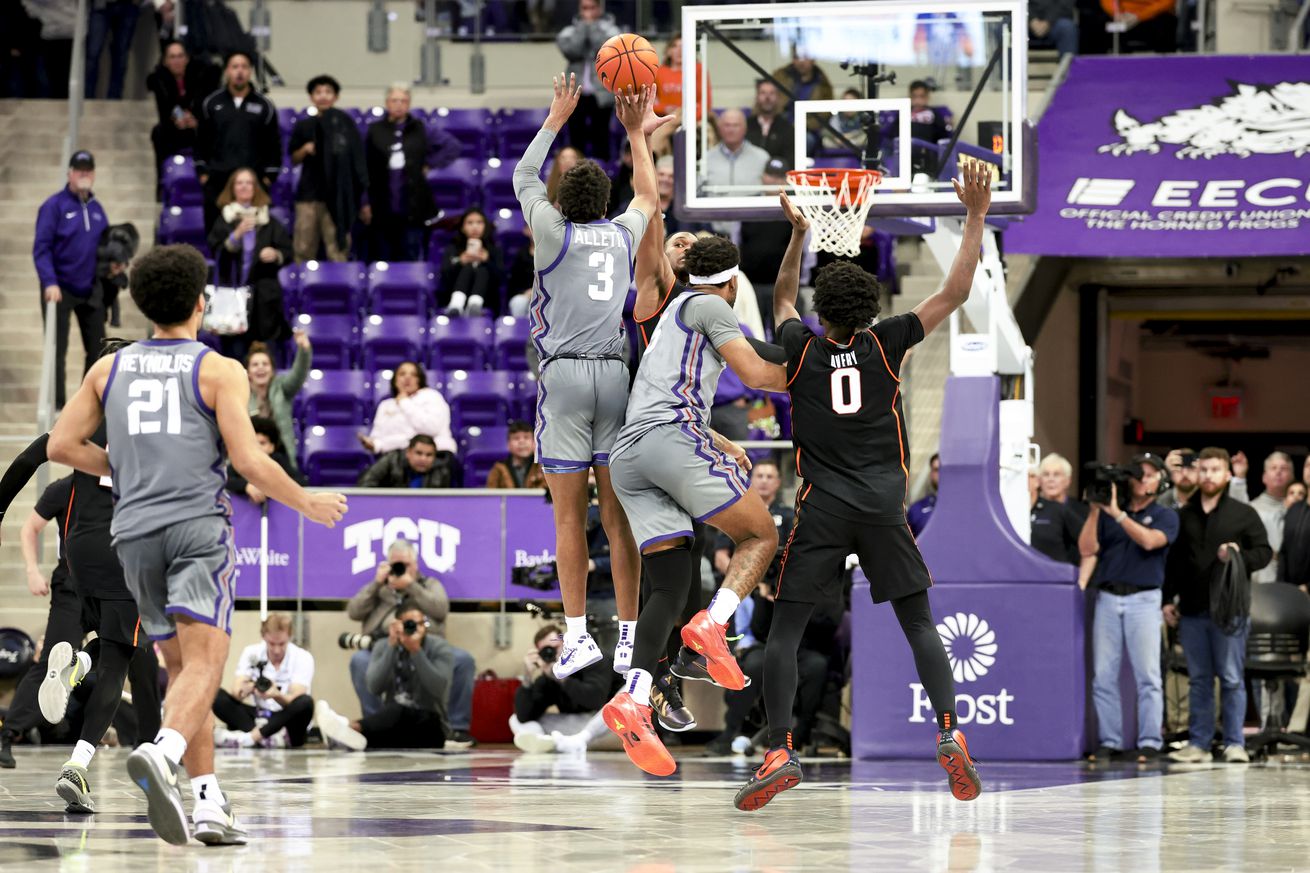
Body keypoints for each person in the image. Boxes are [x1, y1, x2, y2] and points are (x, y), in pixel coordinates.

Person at [47, 243, 348, 846]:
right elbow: (247, 461)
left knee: (186, 671)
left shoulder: (108, 369)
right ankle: (163, 753)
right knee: (209, 662)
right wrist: (307, 502)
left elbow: (60, 445)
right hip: (195, 529)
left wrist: (121, 465)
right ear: (201, 303)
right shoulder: (217, 369)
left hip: (130, 535)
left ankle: (209, 803)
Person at [736, 163, 993, 811]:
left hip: (822, 506)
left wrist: (798, 237)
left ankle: (779, 747)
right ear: (872, 310)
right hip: (883, 506)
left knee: (786, 632)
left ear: (825, 313)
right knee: (919, 623)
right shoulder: (888, 345)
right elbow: (957, 291)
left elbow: (784, 301)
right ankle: (948, 729)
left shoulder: (799, 347)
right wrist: (975, 215)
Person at [603, 230, 792, 777]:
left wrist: (720, 441)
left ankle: (634, 698)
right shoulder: (712, 304)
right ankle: (713, 627)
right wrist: (823, 381)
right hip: (668, 439)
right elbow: (756, 373)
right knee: (760, 535)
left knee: (670, 582)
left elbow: (677, 391)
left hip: (630, 456)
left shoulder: (676, 309)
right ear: (733, 283)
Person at [513, 77, 659, 680]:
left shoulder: (551, 232)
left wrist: (554, 118)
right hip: (615, 374)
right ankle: (628, 634)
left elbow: (523, 176)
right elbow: (648, 196)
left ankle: (577, 635)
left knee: (568, 518)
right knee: (618, 515)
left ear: (562, 202)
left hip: (566, 378)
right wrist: (635, 134)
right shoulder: (622, 234)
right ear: (604, 204)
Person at [1163, 447, 1271, 764]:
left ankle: (1235, 742)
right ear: (1197, 473)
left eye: (1215, 470)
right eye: (1204, 469)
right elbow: (1174, 564)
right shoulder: (1183, 516)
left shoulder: (1243, 514)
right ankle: (1199, 743)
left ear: (1226, 475)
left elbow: (1263, 552)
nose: (1208, 475)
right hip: (1192, 610)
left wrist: (1239, 553)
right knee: (1198, 679)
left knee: (1231, 677)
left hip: (1230, 610)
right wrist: (1167, 599)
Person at [1077, 453, 1177, 763]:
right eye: (1138, 474)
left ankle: (1149, 741)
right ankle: (1111, 740)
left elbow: (1150, 542)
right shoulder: (1108, 514)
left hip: (1144, 599)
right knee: (1103, 674)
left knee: (1147, 674)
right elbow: (1087, 549)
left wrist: (1119, 514)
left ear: (1161, 481)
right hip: (1108, 597)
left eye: (1149, 475)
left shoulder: (1165, 515)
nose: (1142, 479)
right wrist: (1097, 511)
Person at [343, 539, 477, 746]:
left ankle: (457, 728)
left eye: (404, 564)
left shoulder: (428, 585)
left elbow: (440, 609)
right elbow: (354, 611)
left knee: (463, 660)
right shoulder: (381, 589)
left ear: (415, 565)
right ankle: (374, 724)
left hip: (427, 646)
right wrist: (377, 584)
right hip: (384, 645)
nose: (399, 569)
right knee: (360, 661)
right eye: (394, 564)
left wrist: (411, 586)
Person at [316, 605, 457, 751]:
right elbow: (374, 687)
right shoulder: (384, 645)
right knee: (364, 740)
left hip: (431, 726)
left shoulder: (440, 647)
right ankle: (340, 739)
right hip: (395, 724)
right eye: (409, 624)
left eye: (421, 624)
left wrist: (416, 651)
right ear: (397, 624)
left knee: (398, 710)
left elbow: (439, 689)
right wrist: (391, 647)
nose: (416, 628)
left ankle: (347, 725)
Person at [34, 150, 108, 409]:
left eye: (88, 170)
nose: (84, 174)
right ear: (70, 173)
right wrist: (49, 281)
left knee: (99, 350)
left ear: (94, 174)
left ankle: (87, 407)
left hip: (90, 289)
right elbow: (41, 248)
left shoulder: (98, 210)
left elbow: (104, 247)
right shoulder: (53, 206)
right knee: (57, 351)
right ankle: (56, 408)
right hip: (60, 288)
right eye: (79, 170)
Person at [362, 83, 455, 262]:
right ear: (387, 103)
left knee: (410, 258)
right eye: (394, 100)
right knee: (382, 259)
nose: (399, 104)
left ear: (409, 103)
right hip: (381, 207)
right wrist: (364, 202)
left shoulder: (421, 128)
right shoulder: (374, 130)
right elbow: (364, 168)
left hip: (412, 209)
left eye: (403, 101)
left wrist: (429, 163)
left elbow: (452, 146)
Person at [207, 169, 294, 361]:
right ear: (232, 188)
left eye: (249, 183)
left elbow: (288, 252)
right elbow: (215, 251)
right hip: (232, 302)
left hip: (264, 304)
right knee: (234, 358)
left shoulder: (269, 222)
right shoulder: (224, 220)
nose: (244, 186)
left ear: (256, 189)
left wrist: (276, 254)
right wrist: (235, 236)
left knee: (262, 360)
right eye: (239, 183)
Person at [196, 51, 282, 235]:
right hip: (217, 181)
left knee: (255, 236)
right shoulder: (211, 103)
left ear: (250, 71)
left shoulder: (265, 105)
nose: (239, 71)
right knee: (216, 234)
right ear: (227, 70)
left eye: (244, 67)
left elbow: (274, 145)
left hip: (253, 181)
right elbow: (201, 141)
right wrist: (203, 172)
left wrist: (268, 178)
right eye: (235, 67)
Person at [290, 74, 368, 263]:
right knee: (303, 248)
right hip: (309, 195)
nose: (323, 96)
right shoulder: (304, 125)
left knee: (338, 249)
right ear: (311, 97)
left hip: (338, 197)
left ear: (336, 96)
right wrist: (305, 150)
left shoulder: (345, 124)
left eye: (328, 92)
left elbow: (357, 161)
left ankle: (340, 289)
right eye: (318, 92)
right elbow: (293, 158)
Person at [510, 624, 621, 754]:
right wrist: (527, 676)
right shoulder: (548, 677)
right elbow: (524, 716)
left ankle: (564, 743)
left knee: (623, 695)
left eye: (555, 647)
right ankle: (547, 743)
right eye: (546, 650)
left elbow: (594, 700)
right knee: (515, 719)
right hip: (578, 726)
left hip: (611, 727)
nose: (552, 653)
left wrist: (561, 678)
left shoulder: (593, 659)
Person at [212, 614, 316, 748]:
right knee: (214, 694)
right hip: (258, 716)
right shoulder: (252, 652)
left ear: (290, 636)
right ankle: (268, 738)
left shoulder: (302, 657)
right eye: (271, 644)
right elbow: (236, 692)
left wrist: (276, 695)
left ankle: (252, 738)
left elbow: (297, 697)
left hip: (286, 719)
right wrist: (249, 688)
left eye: (282, 644)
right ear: (263, 637)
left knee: (305, 702)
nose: (277, 650)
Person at [146, 41, 218, 198]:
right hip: (172, 128)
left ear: (187, 58)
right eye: (172, 57)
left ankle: (208, 177)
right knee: (158, 132)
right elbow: (167, 106)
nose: (177, 61)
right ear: (165, 61)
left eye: (180, 56)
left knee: (210, 131)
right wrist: (179, 118)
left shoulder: (200, 76)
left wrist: (195, 119)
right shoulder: (160, 79)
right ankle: (163, 182)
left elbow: (203, 103)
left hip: (197, 126)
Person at [554, 0, 620, 159]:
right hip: (576, 93)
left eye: (592, 8)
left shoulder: (611, 29)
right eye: (585, 8)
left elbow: (606, 50)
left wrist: (593, 28)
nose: (588, 12)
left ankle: (602, 174)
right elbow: (572, 51)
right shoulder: (569, 31)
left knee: (601, 136)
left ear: (599, 8)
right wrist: (584, 28)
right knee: (576, 137)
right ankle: (577, 174)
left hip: (601, 93)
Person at [360, 361, 457, 455]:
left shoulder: (431, 396)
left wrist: (404, 402)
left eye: (413, 374)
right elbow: (377, 438)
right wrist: (374, 444)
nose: (407, 377)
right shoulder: (385, 405)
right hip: (395, 456)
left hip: (435, 454)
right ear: (395, 380)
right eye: (402, 374)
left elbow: (430, 429)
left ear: (420, 380)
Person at [245, 335, 311, 473]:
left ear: (272, 370)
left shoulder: (282, 387)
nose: (260, 368)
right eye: (255, 365)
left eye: (265, 364)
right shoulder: (241, 394)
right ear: (248, 372)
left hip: (282, 459)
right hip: (250, 459)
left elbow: (298, 375)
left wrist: (304, 350)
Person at [1231, 452, 1292, 584]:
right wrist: (1239, 477)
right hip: (1260, 583)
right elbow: (1234, 513)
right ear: (1264, 477)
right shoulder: (1253, 508)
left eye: (1284, 468)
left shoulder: (1301, 511)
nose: (1279, 472)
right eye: (1274, 468)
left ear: (1292, 476)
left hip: (1293, 585)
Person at [438, 207, 504, 316]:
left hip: (487, 299)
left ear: (485, 226)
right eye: (470, 223)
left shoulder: (494, 250)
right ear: (463, 227)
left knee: (482, 269)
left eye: (479, 222)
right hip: (452, 293)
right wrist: (460, 261)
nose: (475, 227)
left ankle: (475, 304)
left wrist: (486, 261)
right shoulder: (453, 248)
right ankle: (456, 304)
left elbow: (500, 279)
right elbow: (444, 276)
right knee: (467, 268)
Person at [226, 415, 306, 502]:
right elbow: (224, 480)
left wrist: (271, 487)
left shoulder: (278, 461)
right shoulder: (240, 462)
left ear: (272, 447)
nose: (257, 447)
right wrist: (246, 486)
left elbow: (300, 481)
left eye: (262, 443)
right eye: (253, 443)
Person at [1030, 453, 1088, 565]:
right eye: (1046, 474)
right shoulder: (1030, 509)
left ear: (1068, 480)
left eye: (1056, 475)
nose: (1050, 479)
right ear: (1039, 480)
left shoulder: (1082, 511)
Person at [703, 109, 770, 197]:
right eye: (727, 125)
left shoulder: (762, 157)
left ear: (745, 129)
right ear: (719, 129)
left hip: (751, 210)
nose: (731, 130)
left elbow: (771, 192)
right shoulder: (706, 159)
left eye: (736, 125)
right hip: (713, 209)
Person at [357, 434, 458, 488]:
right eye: (419, 453)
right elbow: (366, 484)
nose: (423, 458)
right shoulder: (392, 460)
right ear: (408, 452)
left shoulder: (442, 471)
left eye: (429, 455)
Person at [85, 0, 140, 99]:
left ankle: (114, 98)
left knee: (121, 55)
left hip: (128, 6)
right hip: (100, 6)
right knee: (93, 54)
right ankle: (87, 98)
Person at [909, 80, 952, 176]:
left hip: (929, 154)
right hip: (907, 155)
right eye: (915, 96)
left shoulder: (934, 114)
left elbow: (943, 136)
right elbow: (893, 135)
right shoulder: (904, 113)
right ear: (910, 97)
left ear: (927, 97)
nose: (918, 100)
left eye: (921, 96)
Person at [486, 420, 546, 488]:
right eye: (516, 438)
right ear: (508, 445)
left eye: (526, 437)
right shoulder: (498, 469)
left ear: (534, 443)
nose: (522, 442)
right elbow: (491, 496)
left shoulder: (543, 467)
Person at [1099, 0, 1177, 52]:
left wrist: (1139, 16)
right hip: (1121, 16)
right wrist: (1116, 13)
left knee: (1166, 24)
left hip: (1154, 15)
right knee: (1096, 26)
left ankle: (1165, 68)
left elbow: (1168, 2)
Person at [746, 79, 794, 161]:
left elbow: (790, 159)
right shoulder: (746, 126)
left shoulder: (787, 128)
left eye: (772, 93)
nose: (767, 98)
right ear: (757, 97)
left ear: (778, 97)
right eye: (763, 93)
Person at [908, 453, 940, 537]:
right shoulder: (916, 510)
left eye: (944, 470)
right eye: (937, 470)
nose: (941, 474)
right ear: (931, 474)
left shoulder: (964, 508)